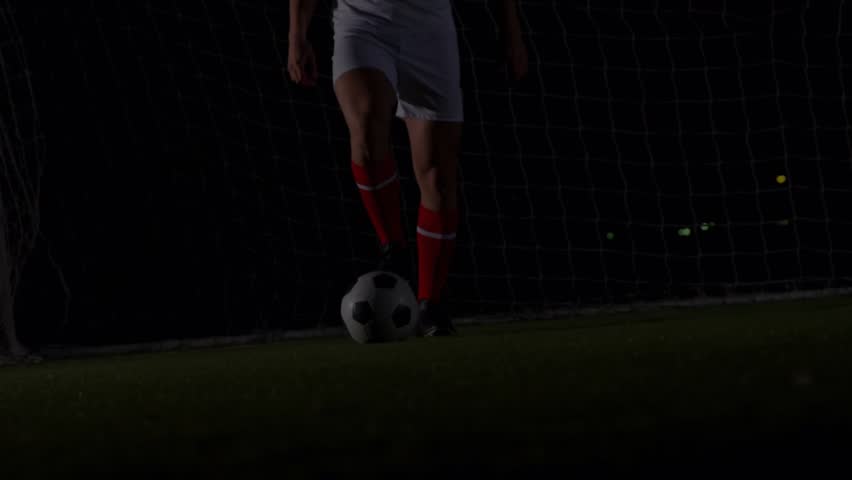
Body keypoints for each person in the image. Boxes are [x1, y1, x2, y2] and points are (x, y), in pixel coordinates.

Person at [288, 0, 528, 336]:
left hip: (429, 29)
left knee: (437, 174)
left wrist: (512, 33)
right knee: (368, 119)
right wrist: (297, 35)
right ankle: (394, 248)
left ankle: (430, 302)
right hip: (362, 22)